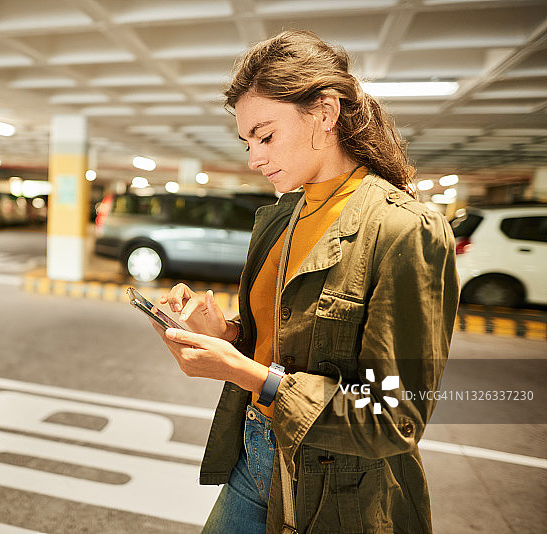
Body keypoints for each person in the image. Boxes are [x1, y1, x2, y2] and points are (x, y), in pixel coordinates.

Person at [150, 30, 459, 534]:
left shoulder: (404, 230)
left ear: (325, 113)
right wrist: (226, 336)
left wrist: (248, 375)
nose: (254, 158)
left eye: (265, 135)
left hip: (339, 484)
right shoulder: (281, 217)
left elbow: (394, 416)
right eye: (247, 140)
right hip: (253, 454)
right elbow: (289, 342)